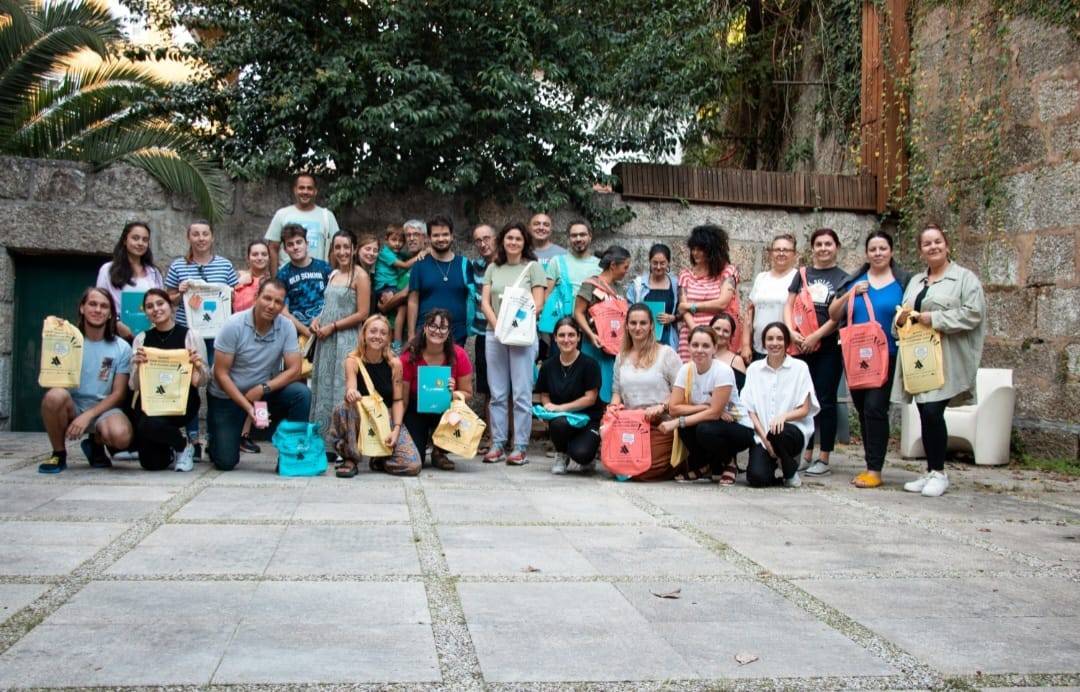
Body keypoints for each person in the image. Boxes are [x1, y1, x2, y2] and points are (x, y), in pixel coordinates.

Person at [892, 224, 985, 498]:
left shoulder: (965, 279)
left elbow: (973, 314)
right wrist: (898, 320)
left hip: (947, 358)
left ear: (947, 245)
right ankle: (932, 471)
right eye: (927, 244)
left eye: (937, 242)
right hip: (919, 358)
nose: (933, 247)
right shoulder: (916, 281)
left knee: (932, 411)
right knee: (925, 412)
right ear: (921, 251)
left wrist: (935, 319)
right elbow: (905, 311)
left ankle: (939, 473)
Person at [828, 231, 912, 488]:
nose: (878, 253)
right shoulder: (854, 280)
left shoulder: (904, 282)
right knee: (863, 408)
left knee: (876, 407)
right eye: (873, 249)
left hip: (887, 354)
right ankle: (870, 464)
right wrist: (849, 294)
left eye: (883, 248)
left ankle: (875, 469)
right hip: (855, 355)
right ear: (866, 253)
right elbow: (833, 314)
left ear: (891, 251)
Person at [207, 279, 311, 471]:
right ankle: (220, 437)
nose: (272, 306)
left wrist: (262, 389)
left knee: (301, 393)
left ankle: (291, 457)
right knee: (225, 461)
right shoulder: (233, 325)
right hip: (228, 395)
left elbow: (294, 369)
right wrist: (248, 407)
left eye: (278, 302)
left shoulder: (286, 326)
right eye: (267, 298)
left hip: (261, 394)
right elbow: (221, 374)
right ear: (256, 297)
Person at [164, 220, 238, 459]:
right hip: (189, 334)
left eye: (205, 234)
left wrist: (232, 293)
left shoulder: (225, 266)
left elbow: (236, 297)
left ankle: (216, 438)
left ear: (212, 237)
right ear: (189, 238)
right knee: (190, 385)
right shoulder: (178, 266)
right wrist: (180, 292)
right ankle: (193, 438)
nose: (201, 238)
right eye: (196, 234)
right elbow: (168, 301)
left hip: (219, 335)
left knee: (218, 385)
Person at [38, 288, 133, 473]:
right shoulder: (67, 339)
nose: (98, 310)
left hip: (104, 407)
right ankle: (58, 453)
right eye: (92, 304)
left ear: (110, 314)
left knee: (121, 437)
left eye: (104, 306)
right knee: (54, 396)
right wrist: (55, 333)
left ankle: (96, 444)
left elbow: (119, 393)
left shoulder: (121, 347)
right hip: (72, 405)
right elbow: (52, 380)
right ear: (82, 308)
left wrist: (88, 416)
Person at [480, 222, 548, 465]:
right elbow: (485, 302)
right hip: (494, 334)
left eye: (518, 239)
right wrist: (499, 325)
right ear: (502, 240)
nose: (513, 242)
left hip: (521, 335)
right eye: (509, 238)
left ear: (525, 242)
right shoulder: (493, 268)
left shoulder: (533, 268)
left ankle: (520, 446)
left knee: (521, 393)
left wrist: (512, 324)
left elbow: (537, 304)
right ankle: (497, 443)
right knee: (497, 392)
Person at [784, 227, 850, 477]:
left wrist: (816, 336)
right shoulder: (802, 275)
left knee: (826, 400)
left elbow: (838, 316)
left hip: (828, 347)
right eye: (819, 244)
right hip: (800, 345)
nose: (823, 248)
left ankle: (824, 456)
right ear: (812, 248)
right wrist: (791, 332)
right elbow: (788, 304)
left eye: (828, 244)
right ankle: (806, 452)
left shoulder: (844, 278)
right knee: (805, 400)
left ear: (837, 247)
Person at [329, 314, 421, 477]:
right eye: (373, 331)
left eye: (383, 333)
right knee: (343, 408)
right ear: (364, 334)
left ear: (388, 338)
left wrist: (396, 429)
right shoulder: (353, 360)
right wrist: (351, 392)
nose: (377, 336)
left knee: (412, 465)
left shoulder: (394, 364)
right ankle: (350, 458)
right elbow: (351, 387)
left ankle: (380, 459)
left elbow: (398, 400)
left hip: (384, 418)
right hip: (361, 416)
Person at [658, 326, 751, 485]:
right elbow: (674, 407)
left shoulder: (723, 371)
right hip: (711, 419)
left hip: (737, 426)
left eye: (706, 346)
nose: (699, 350)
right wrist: (704, 406)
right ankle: (705, 465)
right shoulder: (686, 370)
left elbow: (714, 413)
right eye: (695, 345)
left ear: (715, 348)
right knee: (690, 427)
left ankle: (730, 462)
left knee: (704, 428)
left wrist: (678, 421)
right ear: (688, 347)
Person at [128, 289, 208, 471]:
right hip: (151, 402)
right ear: (145, 312)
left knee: (148, 424)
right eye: (149, 306)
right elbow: (134, 385)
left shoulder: (191, 336)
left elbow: (202, 382)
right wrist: (138, 367)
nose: (155, 309)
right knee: (152, 464)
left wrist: (197, 366)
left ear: (171, 306)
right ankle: (175, 446)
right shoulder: (141, 339)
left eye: (160, 303)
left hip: (181, 401)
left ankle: (183, 445)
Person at [309, 230, 371, 457]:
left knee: (342, 389)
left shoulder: (361, 276)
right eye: (338, 247)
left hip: (346, 340)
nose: (342, 252)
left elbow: (363, 313)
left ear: (354, 249)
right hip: (325, 341)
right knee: (323, 390)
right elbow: (327, 307)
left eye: (346, 247)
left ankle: (343, 443)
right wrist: (318, 320)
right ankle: (323, 444)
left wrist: (333, 326)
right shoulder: (333, 274)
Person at [607, 303, 683, 481]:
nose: (638, 328)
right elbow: (617, 391)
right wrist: (612, 408)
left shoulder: (666, 354)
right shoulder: (621, 356)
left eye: (643, 323)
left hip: (661, 423)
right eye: (633, 323)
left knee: (641, 472)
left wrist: (662, 407)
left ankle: (682, 462)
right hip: (631, 424)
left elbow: (681, 391)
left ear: (651, 326)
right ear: (626, 326)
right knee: (618, 469)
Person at [742, 322, 820, 488]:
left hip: (790, 432)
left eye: (780, 338)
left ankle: (790, 471)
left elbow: (805, 409)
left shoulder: (800, 368)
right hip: (763, 435)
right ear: (764, 343)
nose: (774, 343)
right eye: (770, 339)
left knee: (779, 430)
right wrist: (766, 440)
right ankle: (777, 464)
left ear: (787, 343)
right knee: (757, 478)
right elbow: (749, 410)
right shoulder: (754, 369)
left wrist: (783, 417)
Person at [400, 309, 474, 470]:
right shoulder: (409, 355)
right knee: (415, 458)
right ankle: (420, 445)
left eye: (442, 328)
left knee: (457, 411)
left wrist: (453, 393)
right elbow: (402, 399)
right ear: (425, 328)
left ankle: (440, 452)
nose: (437, 331)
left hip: (444, 409)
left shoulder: (459, 355)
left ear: (448, 332)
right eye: (433, 326)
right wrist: (397, 426)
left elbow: (468, 393)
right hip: (415, 408)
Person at [535, 317, 604, 474]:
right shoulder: (547, 366)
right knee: (558, 423)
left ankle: (584, 452)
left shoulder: (590, 364)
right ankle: (561, 453)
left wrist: (559, 408)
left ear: (578, 337)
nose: (567, 340)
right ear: (555, 338)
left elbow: (590, 398)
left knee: (582, 455)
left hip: (587, 420)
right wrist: (547, 408)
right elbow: (544, 395)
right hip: (562, 422)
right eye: (562, 335)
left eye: (571, 335)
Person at [574, 245, 631, 403]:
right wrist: (591, 335)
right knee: (591, 386)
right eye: (625, 267)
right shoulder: (590, 284)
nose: (626, 271)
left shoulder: (619, 289)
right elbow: (578, 312)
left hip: (615, 346)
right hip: (593, 344)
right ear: (613, 265)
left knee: (613, 387)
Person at [677, 224, 741, 362]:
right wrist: (697, 332)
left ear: (712, 250)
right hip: (690, 334)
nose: (695, 253)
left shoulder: (727, 272)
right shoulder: (685, 275)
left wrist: (692, 306)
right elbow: (683, 308)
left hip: (718, 337)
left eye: (700, 249)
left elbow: (722, 303)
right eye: (693, 249)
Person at [407, 215, 472, 345]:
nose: (441, 239)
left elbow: (471, 298)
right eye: (436, 235)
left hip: (456, 333)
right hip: (425, 333)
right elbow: (413, 301)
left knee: (454, 366)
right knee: (427, 366)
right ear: (429, 238)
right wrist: (411, 334)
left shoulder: (465, 264)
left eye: (445, 234)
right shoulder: (419, 265)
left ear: (452, 236)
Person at [95, 221, 165, 340]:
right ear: (124, 240)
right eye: (135, 238)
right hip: (117, 335)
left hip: (150, 335)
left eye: (145, 240)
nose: (140, 243)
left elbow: (161, 302)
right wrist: (116, 323)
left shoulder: (154, 272)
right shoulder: (108, 270)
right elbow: (100, 302)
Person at [265, 173, 340, 271]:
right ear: (295, 190)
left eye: (309, 188)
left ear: (315, 191)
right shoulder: (282, 215)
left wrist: (331, 276)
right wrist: (275, 280)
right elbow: (273, 248)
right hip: (288, 280)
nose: (305, 191)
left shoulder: (327, 216)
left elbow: (334, 249)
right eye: (301, 188)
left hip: (318, 278)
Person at [742, 233, 798, 362]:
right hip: (758, 348)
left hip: (786, 350)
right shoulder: (761, 278)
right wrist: (745, 345)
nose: (781, 253)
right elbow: (749, 313)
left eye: (786, 250)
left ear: (794, 254)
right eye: (777, 249)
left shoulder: (798, 277)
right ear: (771, 253)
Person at [468, 223, 497, 453]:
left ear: (495, 238)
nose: (483, 244)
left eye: (486, 238)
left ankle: (509, 437)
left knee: (510, 389)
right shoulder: (474, 267)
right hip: (483, 334)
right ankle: (491, 436)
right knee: (488, 389)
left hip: (509, 335)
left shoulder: (507, 265)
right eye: (478, 240)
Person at [276, 223, 333, 339]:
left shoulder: (324, 268)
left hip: (326, 329)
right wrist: (307, 332)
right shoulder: (282, 275)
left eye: (299, 242)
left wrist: (320, 322)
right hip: (298, 334)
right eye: (290, 244)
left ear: (306, 243)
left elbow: (333, 300)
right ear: (285, 249)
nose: (295, 247)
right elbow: (283, 312)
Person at [377, 221, 427, 351]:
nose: (411, 238)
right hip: (390, 329)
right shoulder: (402, 259)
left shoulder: (424, 261)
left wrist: (384, 307)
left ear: (425, 238)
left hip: (412, 334)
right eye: (408, 235)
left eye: (415, 234)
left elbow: (406, 293)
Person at [626, 243, 679, 350]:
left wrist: (673, 318)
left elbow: (681, 311)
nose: (658, 267)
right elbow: (628, 311)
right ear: (649, 262)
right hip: (642, 341)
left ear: (668, 263)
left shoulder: (675, 285)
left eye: (662, 263)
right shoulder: (638, 285)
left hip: (667, 340)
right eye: (655, 263)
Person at [546, 219, 601, 308]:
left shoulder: (600, 265)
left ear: (590, 237)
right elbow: (547, 296)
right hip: (562, 319)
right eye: (574, 235)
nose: (578, 239)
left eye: (582, 235)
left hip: (588, 319)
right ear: (568, 239)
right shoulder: (557, 261)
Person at [234, 240, 272, 314]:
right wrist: (238, 283)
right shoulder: (237, 276)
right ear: (248, 258)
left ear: (269, 258)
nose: (260, 258)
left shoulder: (273, 280)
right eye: (255, 254)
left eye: (264, 254)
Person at [710, 313, 746, 389]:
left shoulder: (737, 361)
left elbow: (741, 390)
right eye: (717, 328)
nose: (720, 333)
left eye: (726, 331)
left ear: (732, 335)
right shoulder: (700, 355)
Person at [355, 232, 382, 324]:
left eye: (375, 250)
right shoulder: (354, 273)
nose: (372, 253)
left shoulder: (373, 275)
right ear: (358, 250)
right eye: (368, 249)